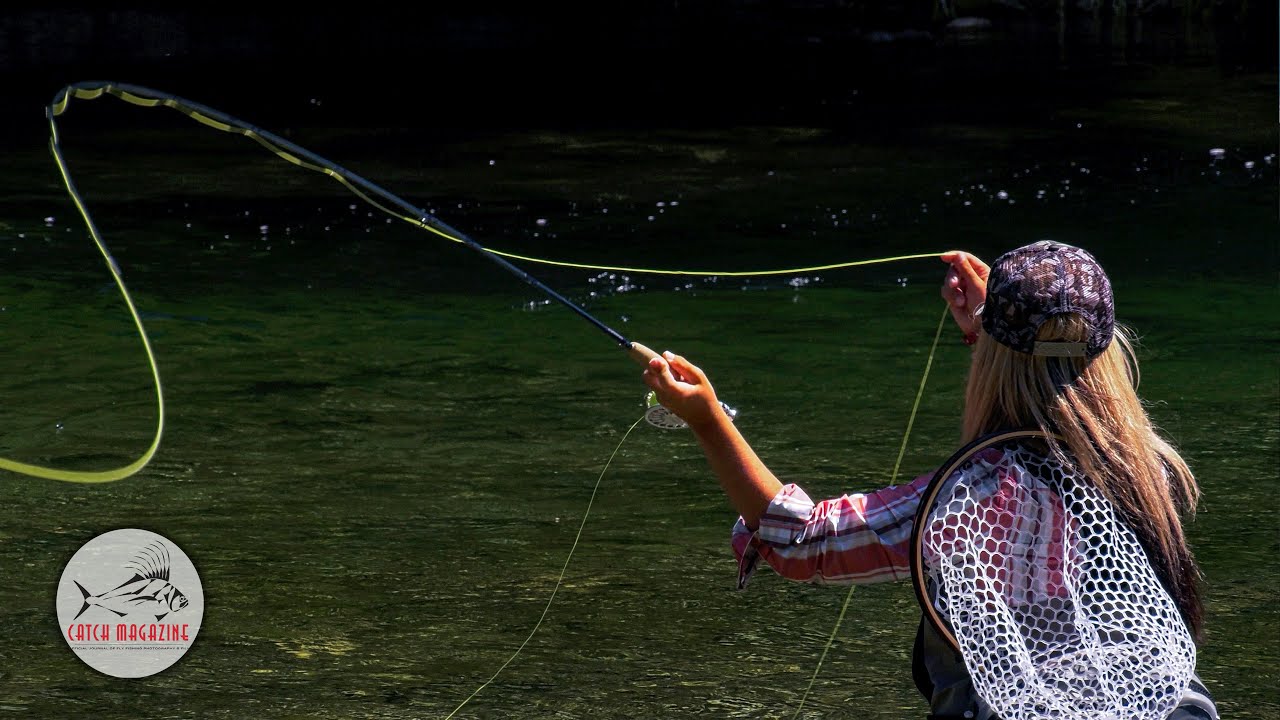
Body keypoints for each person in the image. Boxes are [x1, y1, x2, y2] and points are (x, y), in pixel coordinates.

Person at [641, 241, 1218, 719]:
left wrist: (709, 421)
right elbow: (1051, 376)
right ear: (1111, 351)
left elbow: (802, 541)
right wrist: (988, 332)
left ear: (994, 354)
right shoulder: (1152, 468)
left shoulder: (972, 497)